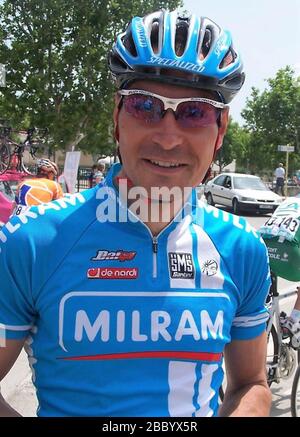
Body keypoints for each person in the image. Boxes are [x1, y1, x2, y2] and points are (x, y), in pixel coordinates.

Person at [0, 10, 271, 417]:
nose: (167, 136)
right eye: (145, 106)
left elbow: (251, 383)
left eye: (194, 111)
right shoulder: (33, 241)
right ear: (116, 118)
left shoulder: (243, 247)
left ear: (221, 130)